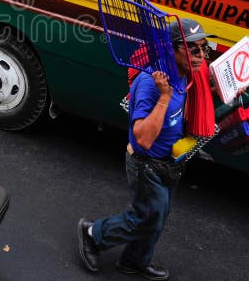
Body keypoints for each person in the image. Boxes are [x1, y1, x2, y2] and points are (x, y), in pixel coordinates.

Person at [77, 18, 216, 281]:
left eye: (204, 48)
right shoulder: (151, 84)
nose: (201, 56)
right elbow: (142, 139)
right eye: (193, 49)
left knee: (157, 215)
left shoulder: (187, 74)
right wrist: (164, 98)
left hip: (171, 162)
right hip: (146, 164)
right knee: (145, 217)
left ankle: (134, 261)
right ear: (172, 50)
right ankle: (93, 233)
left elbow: (197, 94)